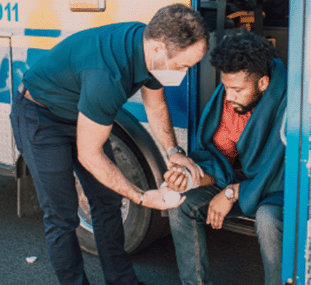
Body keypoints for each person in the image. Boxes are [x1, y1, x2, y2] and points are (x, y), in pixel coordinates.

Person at [9, 4, 209, 285]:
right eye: (183, 66)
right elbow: (90, 155)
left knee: (108, 202)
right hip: (41, 117)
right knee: (62, 215)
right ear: (158, 50)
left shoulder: (149, 44)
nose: (185, 74)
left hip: (81, 112)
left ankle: (122, 280)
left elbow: (155, 104)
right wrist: (141, 196)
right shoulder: (109, 75)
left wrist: (173, 153)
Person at [165, 29, 286, 285]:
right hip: (242, 183)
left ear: (263, 83)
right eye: (225, 87)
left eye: (237, 90)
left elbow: (282, 174)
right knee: (180, 203)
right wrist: (190, 177)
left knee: (267, 219)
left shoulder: (288, 102)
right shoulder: (228, 102)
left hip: (277, 190)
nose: (229, 97)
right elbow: (221, 164)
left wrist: (232, 193)